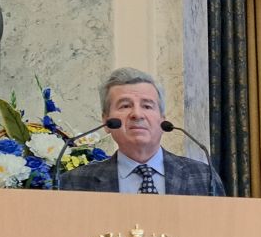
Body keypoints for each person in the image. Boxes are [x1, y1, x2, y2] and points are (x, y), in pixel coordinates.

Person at [60, 67, 224, 196]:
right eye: (125, 106)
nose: (137, 114)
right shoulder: (75, 182)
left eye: (147, 106)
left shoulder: (203, 176)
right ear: (106, 122)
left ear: (162, 119)